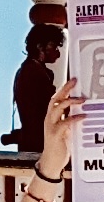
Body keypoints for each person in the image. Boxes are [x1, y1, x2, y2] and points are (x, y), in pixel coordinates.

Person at [8, 18, 64, 164]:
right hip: (38, 144)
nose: (57, 53)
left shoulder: (30, 70)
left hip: (34, 142)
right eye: (53, 47)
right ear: (40, 47)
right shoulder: (32, 72)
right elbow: (43, 111)